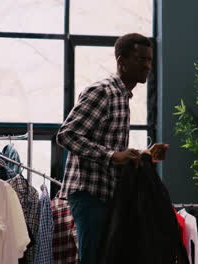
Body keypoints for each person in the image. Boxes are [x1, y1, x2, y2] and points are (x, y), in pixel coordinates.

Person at [56, 33, 153, 264]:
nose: (147, 65)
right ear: (121, 61)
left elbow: (109, 146)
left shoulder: (123, 97)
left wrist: (139, 155)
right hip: (89, 193)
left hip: (105, 194)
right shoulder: (103, 91)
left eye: (149, 60)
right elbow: (66, 135)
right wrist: (112, 156)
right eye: (141, 59)